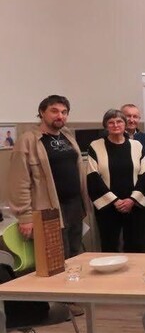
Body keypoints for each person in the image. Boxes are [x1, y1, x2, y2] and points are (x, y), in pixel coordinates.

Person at [8, 95, 88, 258]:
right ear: (42, 112)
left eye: (64, 112)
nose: (60, 116)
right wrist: (25, 217)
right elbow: (19, 182)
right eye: (54, 111)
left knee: (76, 255)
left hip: (74, 206)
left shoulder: (67, 136)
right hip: (49, 209)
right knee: (56, 259)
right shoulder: (27, 141)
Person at [86, 109, 145, 252]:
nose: (115, 125)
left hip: (133, 206)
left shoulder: (137, 146)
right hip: (108, 207)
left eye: (119, 121)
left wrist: (132, 200)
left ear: (125, 124)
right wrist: (114, 201)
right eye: (111, 122)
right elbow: (93, 176)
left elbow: (144, 174)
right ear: (105, 125)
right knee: (110, 245)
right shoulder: (95, 146)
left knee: (136, 245)